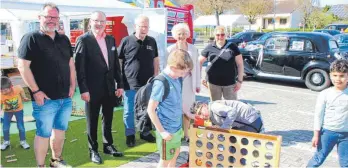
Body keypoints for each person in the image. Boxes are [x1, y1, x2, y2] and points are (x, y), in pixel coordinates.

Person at [17, 2, 76, 167]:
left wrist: (72, 86)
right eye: (48, 16)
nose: (51, 20)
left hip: (65, 97)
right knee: (43, 134)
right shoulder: (31, 38)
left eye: (55, 17)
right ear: (40, 18)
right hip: (45, 99)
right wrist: (36, 91)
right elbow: (23, 66)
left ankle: (56, 161)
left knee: (60, 132)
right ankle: (40, 166)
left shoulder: (64, 39)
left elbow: (71, 64)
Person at [74, 11, 124, 164]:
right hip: (91, 89)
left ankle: (108, 145)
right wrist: (83, 89)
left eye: (102, 21)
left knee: (108, 118)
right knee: (92, 121)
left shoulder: (110, 39)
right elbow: (79, 67)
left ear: (106, 23)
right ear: (90, 22)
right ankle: (93, 150)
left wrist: (120, 84)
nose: (99, 24)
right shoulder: (83, 40)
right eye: (96, 21)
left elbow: (115, 64)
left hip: (109, 88)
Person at [118, 15, 160, 147]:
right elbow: (119, 61)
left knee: (147, 109)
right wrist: (119, 80)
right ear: (135, 26)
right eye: (141, 26)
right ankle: (130, 135)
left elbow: (156, 60)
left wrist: (155, 77)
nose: (143, 29)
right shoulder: (126, 41)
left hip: (148, 84)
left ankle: (145, 132)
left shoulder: (152, 41)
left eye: (146, 26)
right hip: (129, 83)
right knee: (129, 110)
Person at [147, 49, 193, 168]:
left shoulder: (177, 78)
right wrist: (162, 132)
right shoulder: (161, 83)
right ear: (173, 67)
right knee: (165, 160)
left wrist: (187, 112)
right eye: (182, 73)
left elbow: (178, 99)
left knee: (175, 155)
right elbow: (150, 110)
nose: (183, 75)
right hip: (166, 129)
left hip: (177, 128)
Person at [307, 60, 348, 167]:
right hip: (327, 133)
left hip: (346, 135)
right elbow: (318, 115)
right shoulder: (325, 94)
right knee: (318, 158)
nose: (338, 79)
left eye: (342, 76)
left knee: (346, 163)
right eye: (335, 75)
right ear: (330, 75)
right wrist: (316, 135)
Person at [166, 23, 200, 141]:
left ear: (188, 34)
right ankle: (176, 134)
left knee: (188, 109)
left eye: (184, 33)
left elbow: (196, 67)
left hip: (189, 82)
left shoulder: (193, 49)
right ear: (175, 35)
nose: (182, 36)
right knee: (175, 109)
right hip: (175, 83)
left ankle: (187, 134)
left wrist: (197, 84)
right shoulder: (170, 49)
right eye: (179, 34)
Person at [199, 26, 244, 101]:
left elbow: (240, 64)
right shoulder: (210, 47)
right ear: (214, 35)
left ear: (226, 35)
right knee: (215, 107)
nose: (220, 37)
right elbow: (199, 62)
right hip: (213, 83)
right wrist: (199, 78)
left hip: (230, 84)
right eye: (217, 35)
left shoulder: (233, 46)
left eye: (222, 35)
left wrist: (239, 81)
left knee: (231, 107)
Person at [192, 100, 264, 133]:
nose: (201, 117)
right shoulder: (211, 117)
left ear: (204, 105)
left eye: (200, 113)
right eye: (199, 116)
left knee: (236, 145)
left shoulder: (214, 107)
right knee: (232, 143)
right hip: (244, 123)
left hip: (251, 120)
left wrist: (223, 128)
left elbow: (232, 111)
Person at [0, 77, 30, 150]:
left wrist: (24, 97)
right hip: (7, 112)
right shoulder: (1, 95)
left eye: (5, 90)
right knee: (5, 128)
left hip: (19, 111)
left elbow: (21, 90)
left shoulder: (17, 88)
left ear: (11, 87)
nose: (3, 92)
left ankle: (23, 141)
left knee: (21, 127)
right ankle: (6, 141)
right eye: (1, 90)